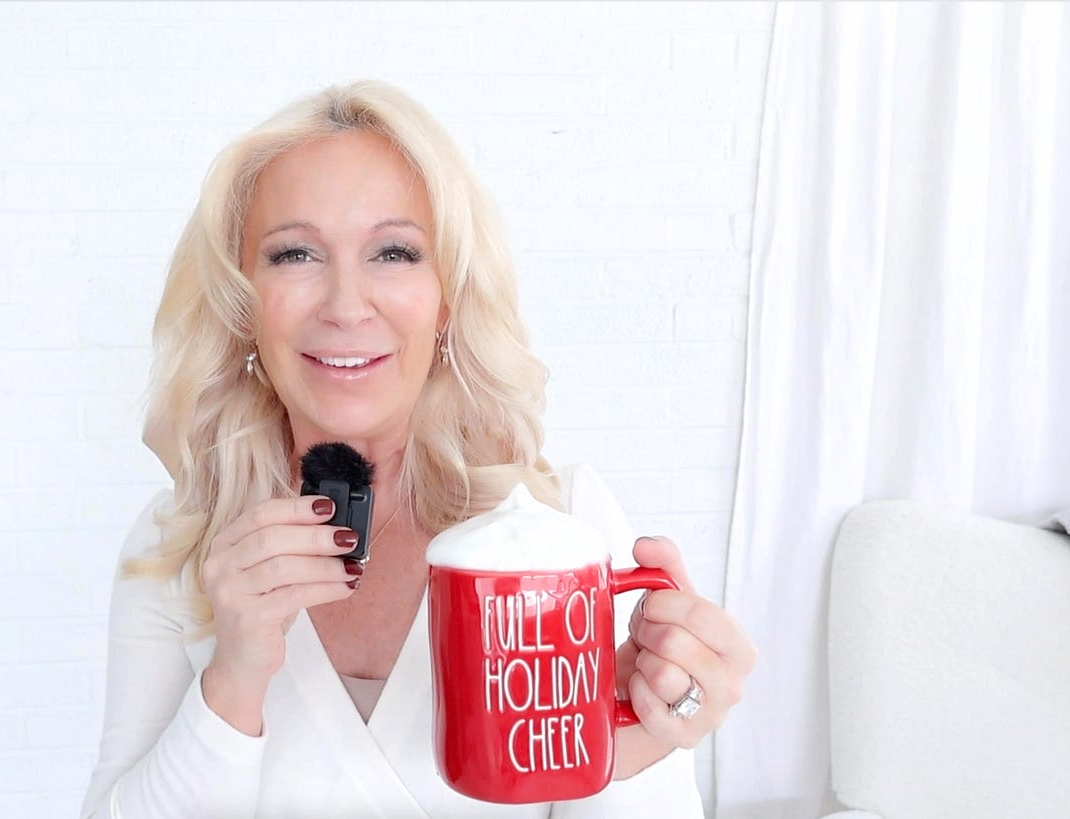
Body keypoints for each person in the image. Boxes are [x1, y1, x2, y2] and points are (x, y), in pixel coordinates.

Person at [79, 79, 756, 818]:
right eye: (295, 253)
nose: (344, 304)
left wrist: (635, 753)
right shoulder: (176, 545)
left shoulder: (565, 528)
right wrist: (233, 678)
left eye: (394, 252)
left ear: (448, 298)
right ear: (244, 305)